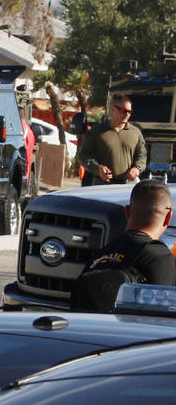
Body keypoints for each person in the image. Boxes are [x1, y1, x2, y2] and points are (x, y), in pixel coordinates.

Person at [71, 179, 176, 311]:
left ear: (127, 212)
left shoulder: (101, 254)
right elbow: (160, 320)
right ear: (168, 217)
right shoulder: (160, 258)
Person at [77, 93, 146, 186]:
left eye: (129, 112)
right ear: (113, 109)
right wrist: (97, 168)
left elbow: (142, 156)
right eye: (124, 111)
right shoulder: (96, 132)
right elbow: (83, 156)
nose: (127, 114)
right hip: (101, 185)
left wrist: (137, 168)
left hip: (126, 185)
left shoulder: (135, 133)